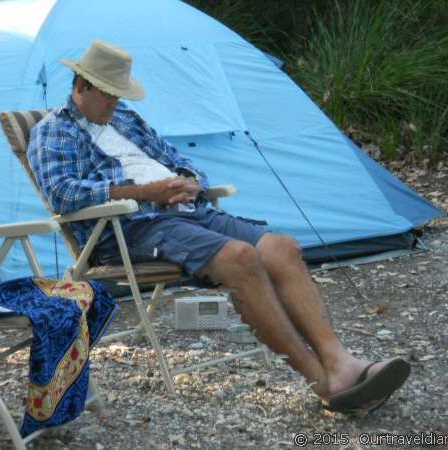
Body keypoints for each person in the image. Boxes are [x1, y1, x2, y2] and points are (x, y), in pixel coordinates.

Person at [28, 40, 410, 414]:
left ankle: (340, 362)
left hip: (187, 211)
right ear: (82, 86)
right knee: (241, 258)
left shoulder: (125, 118)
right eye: (109, 94)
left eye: (118, 94)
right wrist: (147, 192)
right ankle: (323, 384)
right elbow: (63, 195)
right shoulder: (53, 132)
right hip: (131, 227)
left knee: (283, 248)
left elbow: (177, 159)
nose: (115, 102)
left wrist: (189, 180)